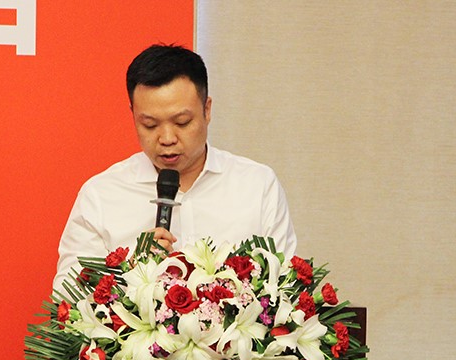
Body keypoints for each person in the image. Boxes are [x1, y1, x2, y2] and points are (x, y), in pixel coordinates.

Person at [53, 44, 296, 290]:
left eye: (182, 122)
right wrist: (131, 270)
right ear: (133, 115)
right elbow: (68, 295)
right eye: (150, 125)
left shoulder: (257, 186)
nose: (167, 138)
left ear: (207, 110)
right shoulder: (101, 195)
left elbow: (286, 287)